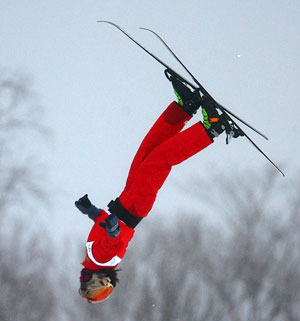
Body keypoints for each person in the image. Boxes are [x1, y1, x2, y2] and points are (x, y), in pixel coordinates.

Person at [75, 71, 241, 303]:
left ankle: (184, 107)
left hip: (126, 202)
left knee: (147, 152)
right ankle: (211, 128)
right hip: (133, 206)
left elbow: (105, 227)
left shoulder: (94, 257)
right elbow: (116, 240)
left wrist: (91, 211)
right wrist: (113, 230)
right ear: (96, 280)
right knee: (160, 159)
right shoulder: (102, 259)